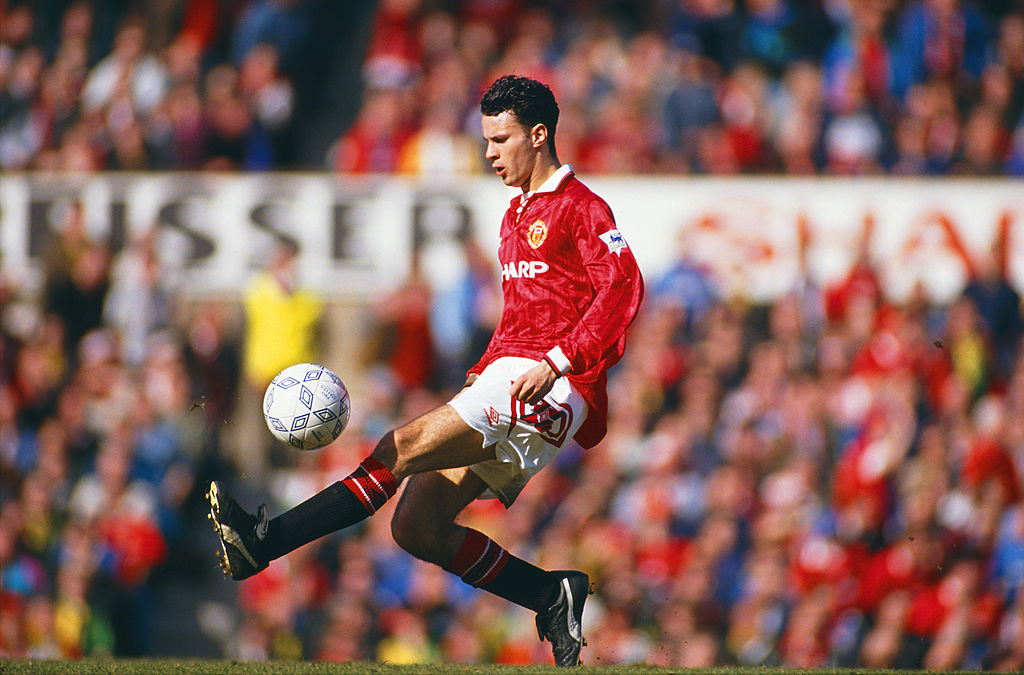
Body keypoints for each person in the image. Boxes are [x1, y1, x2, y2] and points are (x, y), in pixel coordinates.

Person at [207, 74, 645, 667]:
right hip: (513, 374)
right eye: (486, 139)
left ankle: (265, 543)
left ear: (539, 136)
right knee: (416, 526)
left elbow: (623, 287)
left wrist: (556, 363)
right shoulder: (515, 216)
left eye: (501, 140)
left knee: (400, 446)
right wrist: (484, 368)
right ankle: (549, 593)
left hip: (555, 384)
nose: (489, 153)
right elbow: (522, 315)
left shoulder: (581, 207)